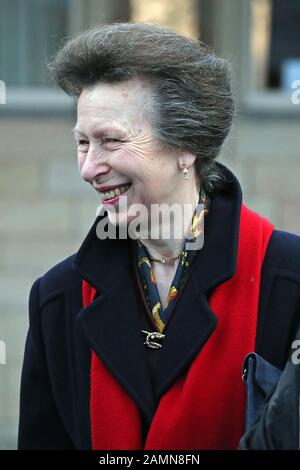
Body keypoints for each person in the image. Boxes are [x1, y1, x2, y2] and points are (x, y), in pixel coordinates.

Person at [18, 22, 300, 450]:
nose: (88, 168)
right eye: (82, 143)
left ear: (186, 145)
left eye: (111, 141)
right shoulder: (58, 298)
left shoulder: (289, 279)